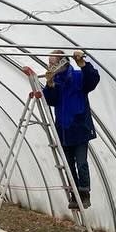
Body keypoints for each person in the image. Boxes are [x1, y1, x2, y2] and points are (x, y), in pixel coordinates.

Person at [42, 49, 100, 211]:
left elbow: (92, 81)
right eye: (49, 63)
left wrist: (83, 64)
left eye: (53, 63)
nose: (50, 66)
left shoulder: (77, 77)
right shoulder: (56, 81)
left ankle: (84, 193)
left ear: (63, 62)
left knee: (81, 163)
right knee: (68, 164)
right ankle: (75, 194)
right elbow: (50, 101)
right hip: (63, 130)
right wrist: (49, 84)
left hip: (80, 127)